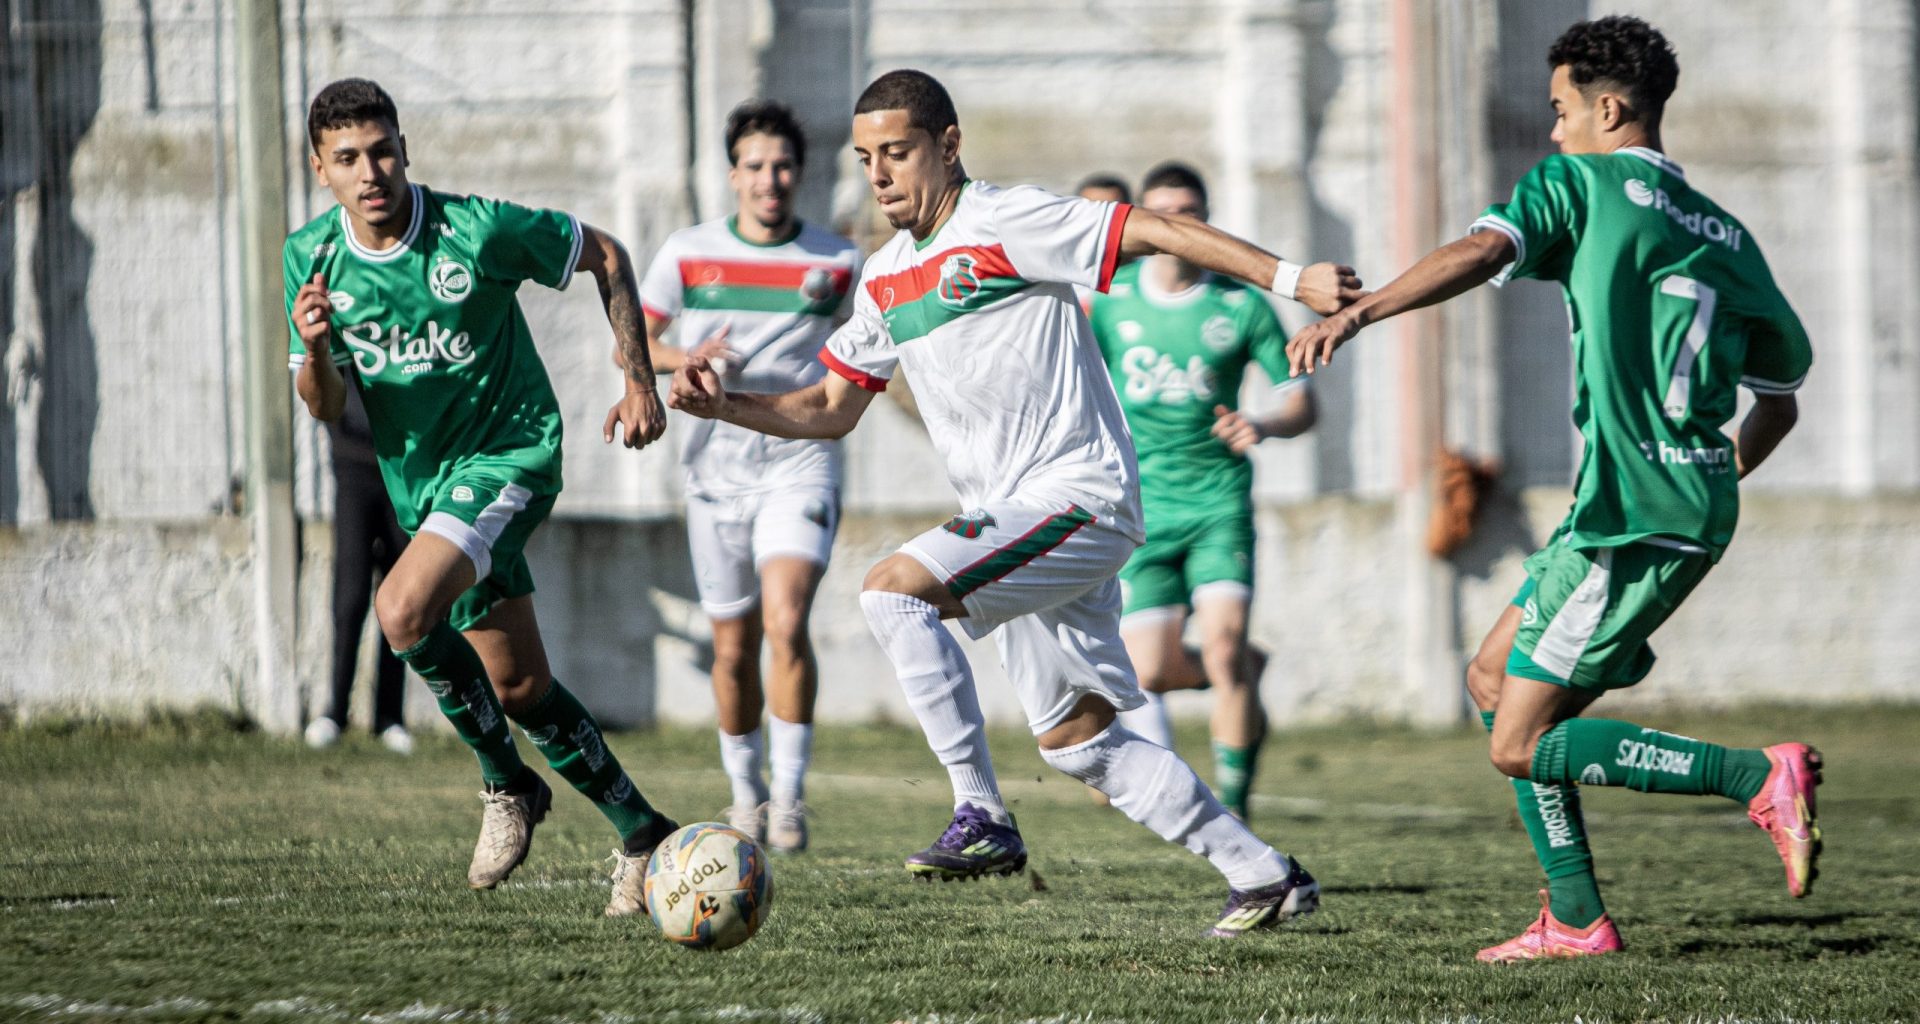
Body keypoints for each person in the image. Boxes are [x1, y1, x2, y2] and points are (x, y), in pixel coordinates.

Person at [670, 69, 1365, 937]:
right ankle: (1265, 876)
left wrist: (1292, 278)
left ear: (948, 146)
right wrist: (721, 405)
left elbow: (1155, 228)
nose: (879, 174)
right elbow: (829, 408)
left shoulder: (1005, 219)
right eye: (866, 158)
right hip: (1025, 524)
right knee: (1081, 741)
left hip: (1077, 497)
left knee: (891, 589)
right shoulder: (886, 277)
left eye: (898, 152)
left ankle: (982, 812)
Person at [1284, 16, 1819, 961]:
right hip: (1656, 504)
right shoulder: (1727, 235)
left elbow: (1485, 250)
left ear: (1611, 109)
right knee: (1491, 680)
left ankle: (1754, 776)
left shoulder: (1581, 182)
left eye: (1563, 110)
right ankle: (1575, 918)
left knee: (1516, 742)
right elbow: (1778, 401)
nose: (1554, 131)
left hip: (1634, 516)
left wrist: (1365, 310)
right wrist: (1712, 473)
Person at [284, 78, 679, 917]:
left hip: (512, 456)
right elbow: (320, 404)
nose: (371, 172)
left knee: (400, 612)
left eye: (382, 150)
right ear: (320, 169)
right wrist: (316, 350)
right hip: (426, 493)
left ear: (404, 149)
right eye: (348, 158)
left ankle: (507, 786)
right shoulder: (310, 258)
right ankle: (645, 833)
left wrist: (639, 380)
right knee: (519, 687)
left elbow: (605, 254)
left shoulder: (476, 229)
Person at [634, 100, 860, 853]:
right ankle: (747, 796)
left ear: (801, 174)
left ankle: (791, 798)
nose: (771, 180)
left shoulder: (837, 262)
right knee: (733, 647)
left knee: (787, 621)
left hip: (800, 462)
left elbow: (875, 348)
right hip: (714, 474)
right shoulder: (688, 252)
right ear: (733, 175)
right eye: (756, 166)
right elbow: (634, 343)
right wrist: (684, 362)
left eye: (784, 166)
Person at [1090, 162, 1315, 820]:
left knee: (1220, 649)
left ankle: (1236, 809)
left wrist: (1264, 423)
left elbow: (1301, 402)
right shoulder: (1111, 301)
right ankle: (1243, 668)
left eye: (1191, 213)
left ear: (1208, 220)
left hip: (1218, 505)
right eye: (1163, 213)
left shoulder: (1241, 305)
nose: (1177, 226)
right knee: (1152, 675)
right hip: (1143, 511)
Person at [305, 383, 413, 755]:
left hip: (403, 469)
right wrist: (341, 438)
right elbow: (322, 389)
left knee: (399, 600)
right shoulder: (344, 326)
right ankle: (335, 711)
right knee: (350, 597)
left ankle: (390, 716)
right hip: (353, 465)